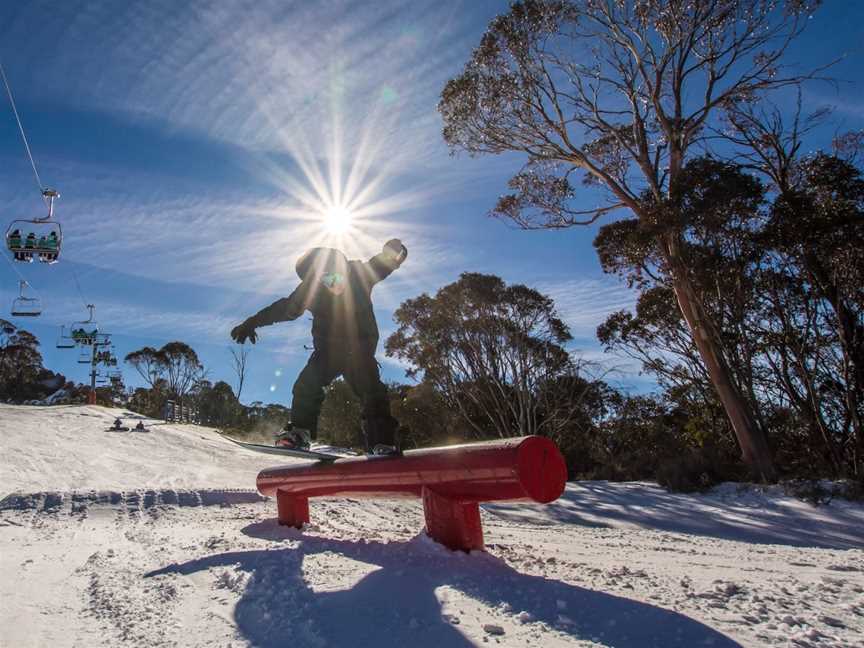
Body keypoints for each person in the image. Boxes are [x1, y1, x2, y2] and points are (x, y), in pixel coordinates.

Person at [231, 239, 408, 455]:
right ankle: (300, 433)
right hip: (328, 352)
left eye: (335, 276)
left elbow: (382, 264)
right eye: (325, 279)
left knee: (372, 391)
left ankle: (381, 441)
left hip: (359, 350)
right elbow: (284, 309)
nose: (333, 283)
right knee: (307, 385)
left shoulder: (359, 273)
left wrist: (393, 254)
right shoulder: (309, 290)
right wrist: (252, 322)